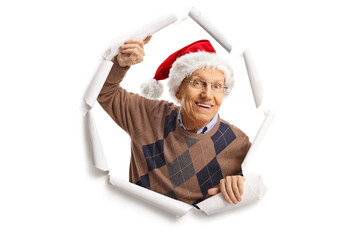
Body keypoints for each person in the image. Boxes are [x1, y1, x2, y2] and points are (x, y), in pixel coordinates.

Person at [97, 35, 251, 205]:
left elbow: (264, 184)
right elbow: (104, 92)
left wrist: (245, 184)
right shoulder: (149, 115)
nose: (207, 95)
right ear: (178, 91)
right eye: (198, 83)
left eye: (217, 86)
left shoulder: (240, 144)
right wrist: (120, 62)